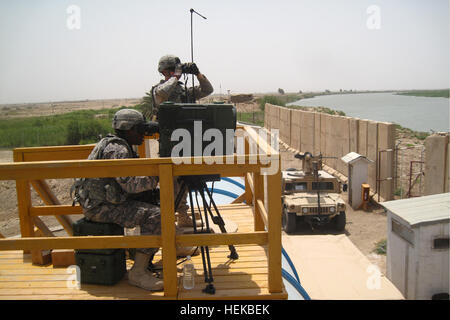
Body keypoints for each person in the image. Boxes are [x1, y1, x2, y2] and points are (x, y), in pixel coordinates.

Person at [71, 109, 195, 291]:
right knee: (155, 215)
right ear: (129, 130)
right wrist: (160, 175)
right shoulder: (118, 150)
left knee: (156, 199)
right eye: (140, 129)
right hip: (100, 208)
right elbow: (130, 185)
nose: (144, 134)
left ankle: (174, 245)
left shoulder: (117, 144)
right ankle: (138, 272)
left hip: (106, 201)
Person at [147, 54, 214, 228]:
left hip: (187, 142)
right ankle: (169, 222)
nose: (175, 73)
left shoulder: (185, 91)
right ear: (164, 72)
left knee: (184, 182)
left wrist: (198, 74)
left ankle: (183, 216)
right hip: (169, 144)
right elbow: (162, 94)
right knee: (170, 184)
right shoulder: (158, 89)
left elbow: (208, 90)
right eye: (171, 70)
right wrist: (176, 76)